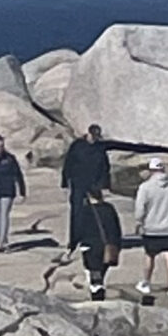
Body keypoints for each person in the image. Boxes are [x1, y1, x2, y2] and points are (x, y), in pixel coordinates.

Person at [62, 126, 115, 299]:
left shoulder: (99, 148)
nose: (95, 139)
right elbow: (69, 163)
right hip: (78, 184)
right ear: (89, 134)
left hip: (94, 184)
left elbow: (105, 167)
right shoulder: (77, 146)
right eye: (94, 136)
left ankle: (88, 241)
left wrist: (105, 185)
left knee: (96, 213)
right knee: (78, 214)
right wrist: (65, 181)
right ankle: (74, 241)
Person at [133, 157, 168, 303]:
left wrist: (138, 222)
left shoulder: (145, 187)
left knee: (150, 255)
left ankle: (146, 282)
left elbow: (140, 208)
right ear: (163, 169)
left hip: (151, 227)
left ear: (150, 170)